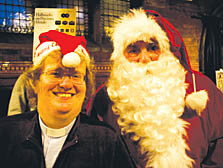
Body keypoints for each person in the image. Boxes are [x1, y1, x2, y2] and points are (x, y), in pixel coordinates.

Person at [88, 9, 223, 168]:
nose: (144, 59)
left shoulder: (201, 87)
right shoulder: (104, 98)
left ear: (166, 51)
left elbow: (221, 148)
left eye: (153, 48)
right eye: (133, 50)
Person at [0, 30, 135, 168]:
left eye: (76, 76)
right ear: (35, 82)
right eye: (56, 74)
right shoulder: (6, 133)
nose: (66, 84)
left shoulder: (107, 140)